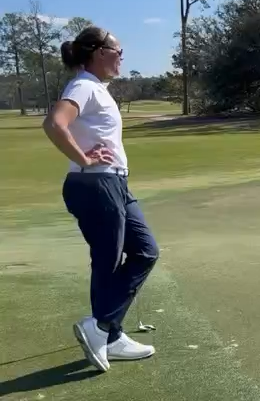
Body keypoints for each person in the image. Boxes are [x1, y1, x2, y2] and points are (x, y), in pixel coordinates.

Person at [42, 26, 159, 372]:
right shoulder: (83, 86)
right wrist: (84, 158)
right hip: (95, 184)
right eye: (117, 50)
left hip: (115, 184)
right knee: (109, 260)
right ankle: (103, 328)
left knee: (145, 249)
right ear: (97, 52)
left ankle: (108, 332)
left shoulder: (96, 89)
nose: (122, 57)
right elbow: (54, 123)